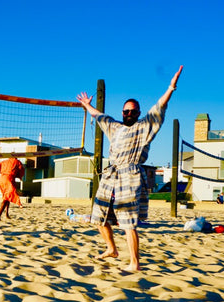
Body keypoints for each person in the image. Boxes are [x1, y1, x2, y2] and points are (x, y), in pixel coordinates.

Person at [77, 65, 183, 272]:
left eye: (133, 111)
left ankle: (134, 262)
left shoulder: (143, 127)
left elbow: (159, 107)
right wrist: (87, 106)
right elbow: (99, 116)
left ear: (138, 113)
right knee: (98, 216)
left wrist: (171, 87)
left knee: (127, 222)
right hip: (111, 174)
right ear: (122, 113)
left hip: (131, 175)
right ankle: (112, 249)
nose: (129, 113)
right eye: (126, 111)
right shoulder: (114, 127)